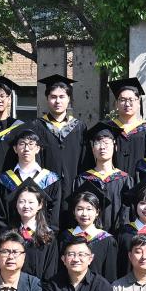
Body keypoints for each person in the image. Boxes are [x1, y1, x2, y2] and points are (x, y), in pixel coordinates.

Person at [29, 74, 87, 209]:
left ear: (69, 99)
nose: (57, 101)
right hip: (45, 188)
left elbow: (85, 160)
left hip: (73, 189)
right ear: (47, 98)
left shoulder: (79, 127)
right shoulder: (37, 126)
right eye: (53, 97)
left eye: (62, 97)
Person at [0, 128, 62, 232]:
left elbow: (54, 213)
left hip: (42, 236)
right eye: (22, 144)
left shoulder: (50, 179)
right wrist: (9, 235)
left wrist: (48, 234)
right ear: (15, 149)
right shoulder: (5, 179)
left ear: (37, 149)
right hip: (12, 237)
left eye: (31, 144)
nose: (26, 148)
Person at [75, 122, 133, 232]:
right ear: (93, 149)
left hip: (118, 234)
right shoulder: (83, 179)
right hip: (89, 236)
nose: (102, 147)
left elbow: (128, 212)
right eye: (97, 143)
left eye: (106, 142)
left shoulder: (124, 179)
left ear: (115, 147)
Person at [57, 182, 119, 281]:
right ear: (74, 212)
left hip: (97, 289)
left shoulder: (107, 240)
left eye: (89, 209)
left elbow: (110, 275)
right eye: (80, 209)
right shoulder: (65, 237)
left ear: (97, 212)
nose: (84, 214)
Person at [7, 179, 59, 281]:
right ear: (16, 204)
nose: (26, 206)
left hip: (40, 288)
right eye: (21, 202)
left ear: (40, 205)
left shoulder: (48, 236)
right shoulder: (7, 234)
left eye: (31, 202)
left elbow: (50, 270)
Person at [105, 78, 146, 174]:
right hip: (113, 180)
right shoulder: (108, 128)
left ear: (138, 103)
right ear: (116, 103)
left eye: (131, 100)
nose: (127, 104)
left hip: (141, 180)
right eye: (122, 100)